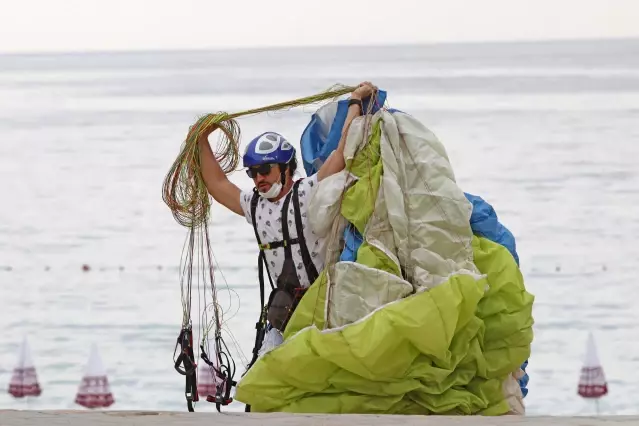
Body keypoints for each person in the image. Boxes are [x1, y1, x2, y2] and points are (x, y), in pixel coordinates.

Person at [197, 82, 377, 337]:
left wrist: (355, 103)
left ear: (285, 168)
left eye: (265, 170)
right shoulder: (254, 205)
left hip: (324, 308)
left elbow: (341, 154)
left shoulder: (309, 191)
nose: (259, 178)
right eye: (252, 173)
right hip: (285, 314)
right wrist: (201, 139)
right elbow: (217, 184)